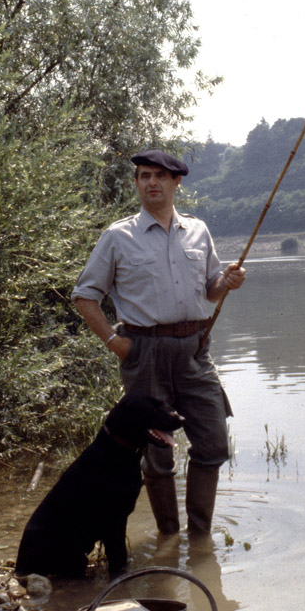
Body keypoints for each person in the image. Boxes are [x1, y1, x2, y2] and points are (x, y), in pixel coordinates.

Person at [72, 149, 246, 536]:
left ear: (176, 183)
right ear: (136, 184)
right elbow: (85, 295)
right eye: (144, 176)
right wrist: (114, 342)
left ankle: (199, 540)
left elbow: (212, 289)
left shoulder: (199, 231)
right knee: (157, 454)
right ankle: (169, 536)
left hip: (195, 352)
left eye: (161, 176)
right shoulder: (118, 236)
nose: (152, 182)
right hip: (143, 353)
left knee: (214, 443)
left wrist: (228, 281)